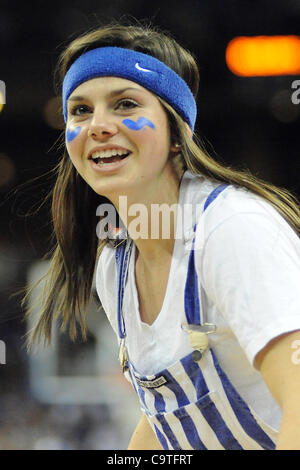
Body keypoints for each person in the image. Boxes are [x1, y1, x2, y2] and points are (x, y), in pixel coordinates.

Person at [24, 21, 300, 450]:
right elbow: (169, 417)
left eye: (125, 104)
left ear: (177, 132)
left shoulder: (231, 229)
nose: (98, 125)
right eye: (80, 110)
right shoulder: (114, 265)